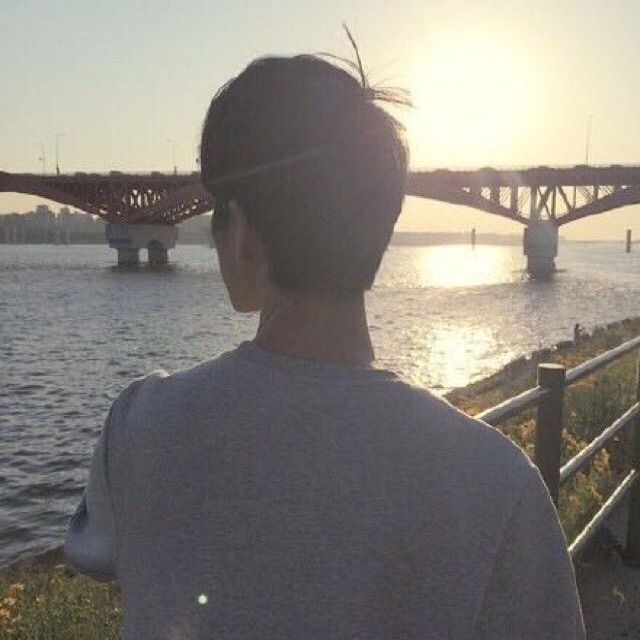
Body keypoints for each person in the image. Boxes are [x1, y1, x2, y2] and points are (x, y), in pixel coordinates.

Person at [65, 52, 585, 639]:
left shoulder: (140, 426)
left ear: (241, 232)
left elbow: (98, 552)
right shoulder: (496, 481)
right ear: (380, 225)